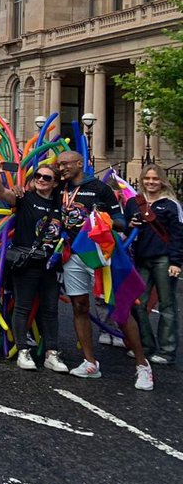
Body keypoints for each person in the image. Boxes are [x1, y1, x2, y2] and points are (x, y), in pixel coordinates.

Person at [56, 150, 153, 389]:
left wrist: (105, 219)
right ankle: (90, 362)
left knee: (119, 308)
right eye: (59, 165)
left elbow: (119, 219)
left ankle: (143, 366)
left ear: (80, 163)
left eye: (66, 164)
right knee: (79, 306)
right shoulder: (60, 189)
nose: (62, 168)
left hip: (99, 253)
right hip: (72, 254)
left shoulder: (100, 188)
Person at [0, 163, 69, 372]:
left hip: (51, 265)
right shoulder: (25, 198)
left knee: (51, 309)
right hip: (26, 262)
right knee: (23, 306)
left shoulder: (61, 204)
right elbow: (1, 193)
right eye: (38, 176)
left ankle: (51, 353)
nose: (41, 180)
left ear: (55, 183)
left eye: (47, 177)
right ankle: (23, 350)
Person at [125, 165, 182, 366]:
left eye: (155, 179)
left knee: (167, 305)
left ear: (162, 181)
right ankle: (145, 346)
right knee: (138, 303)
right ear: (142, 180)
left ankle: (167, 351)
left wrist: (176, 262)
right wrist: (130, 225)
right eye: (147, 178)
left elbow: (178, 234)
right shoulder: (134, 202)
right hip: (141, 258)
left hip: (163, 258)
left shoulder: (171, 205)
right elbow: (125, 226)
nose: (151, 182)